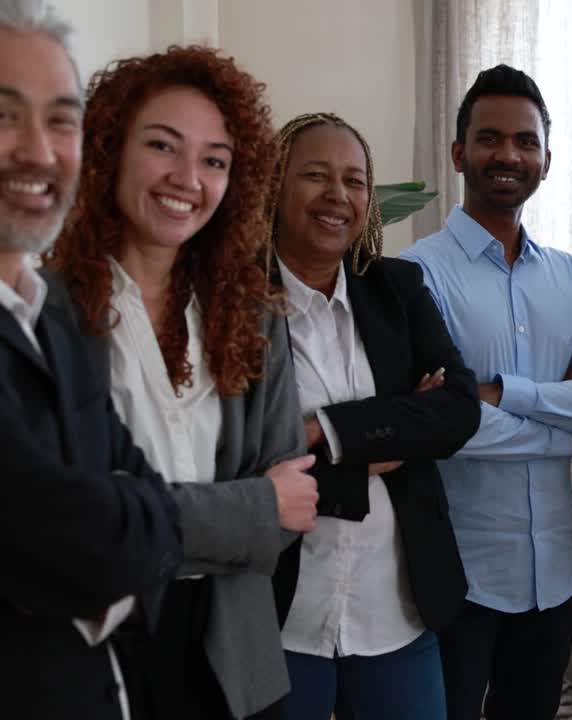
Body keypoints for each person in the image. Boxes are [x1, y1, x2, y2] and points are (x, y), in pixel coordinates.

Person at [46, 45, 316, 720]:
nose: (187, 178)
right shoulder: (46, 311)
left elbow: (295, 503)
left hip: (234, 657)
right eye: (163, 146)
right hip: (89, 652)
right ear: (109, 149)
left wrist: (139, 512)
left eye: (215, 160)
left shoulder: (254, 312)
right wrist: (250, 508)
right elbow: (64, 521)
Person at [400, 64, 572, 720]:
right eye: (490, 138)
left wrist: (508, 394)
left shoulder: (568, 276)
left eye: (525, 142)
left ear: (546, 160)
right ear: (459, 152)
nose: (508, 154)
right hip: (459, 578)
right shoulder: (417, 274)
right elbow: (444, 428)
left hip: (552, 581)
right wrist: (567, 405)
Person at [266, 112, 480, 720]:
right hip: (283, 613)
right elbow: (243, 451)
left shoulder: (396, 287)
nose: (338, 195)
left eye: (355, 180)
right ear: (275, 187)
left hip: (397, 611)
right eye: (315, 175)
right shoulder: (235, 299)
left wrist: (323, 431)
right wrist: (388, 430)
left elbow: (457, 409)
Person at [0, 2, 181, 717]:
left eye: (62, 120)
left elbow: (150, 496)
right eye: (5, 114)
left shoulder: (56, 310)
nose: (40, 152)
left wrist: (133, 524)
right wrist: (130, 530)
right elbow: (67, 533)